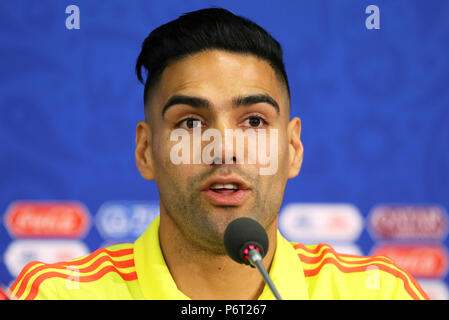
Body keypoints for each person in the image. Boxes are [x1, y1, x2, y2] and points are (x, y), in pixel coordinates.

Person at [9, 7, 428, 300]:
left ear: (293, 149)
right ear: (145, 151)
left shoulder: (383, 292)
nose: (225, 148)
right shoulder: (52, 294)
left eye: (255, 122)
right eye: (191, 123)